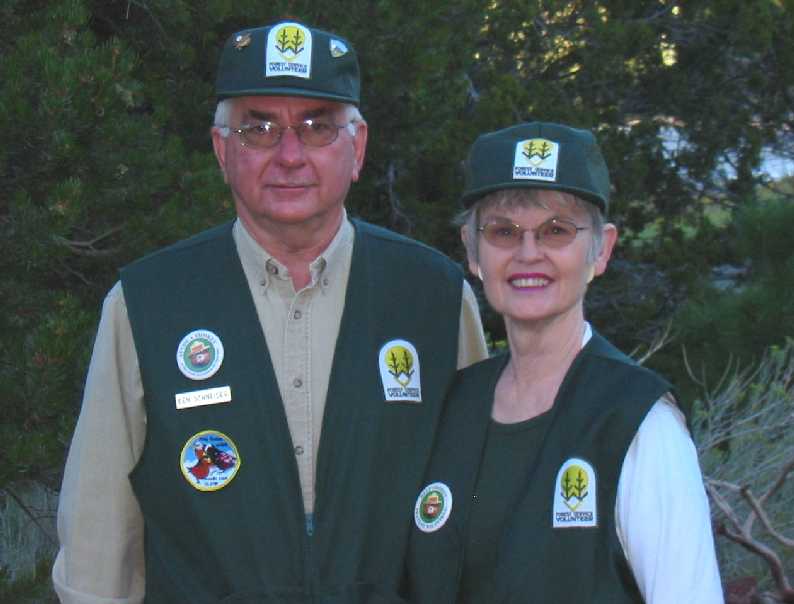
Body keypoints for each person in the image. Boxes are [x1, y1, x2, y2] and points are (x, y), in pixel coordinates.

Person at [53, 20, 487, 603]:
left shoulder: (433, 297)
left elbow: (478, 501)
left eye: (317, 128)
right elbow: (97, 528)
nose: (289, 155)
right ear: (221, 150)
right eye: (259, 129)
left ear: (357, 148)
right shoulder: (148, 302)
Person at [405, 122, 724, 603]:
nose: (528, 254)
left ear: (602, 249)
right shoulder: (453, 406)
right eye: (503, 231)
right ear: (472, 251)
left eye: (557, 231)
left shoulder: (637, 423)